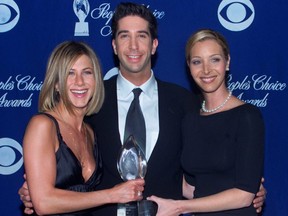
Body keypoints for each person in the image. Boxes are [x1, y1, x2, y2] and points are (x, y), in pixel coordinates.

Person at [19, 3, 266, 215]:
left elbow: (204, 167)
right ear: (114, 45)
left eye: (142, 36)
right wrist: (35, 189)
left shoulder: (186, 103)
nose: (134, 46)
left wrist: (247, 188)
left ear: (154, 44)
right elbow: (63, 162)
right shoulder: (90, 100)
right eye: (125, 36)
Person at [147, 29, 265, 215]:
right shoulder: (190, 120)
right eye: (197, 62)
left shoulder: (247, 116)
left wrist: (179, 207)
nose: (206, 70)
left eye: (214, 59)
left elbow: (244, 195)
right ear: (189, 67)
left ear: (227, 62)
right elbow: (192, 189)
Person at [22, 41, 144, 215]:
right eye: (69, 73)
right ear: (56, 83)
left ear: (96, 81)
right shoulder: (43, 126)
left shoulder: (90, 131)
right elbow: (43, 203)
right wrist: (112, 195)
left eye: (87, 73)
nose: (79, 82)